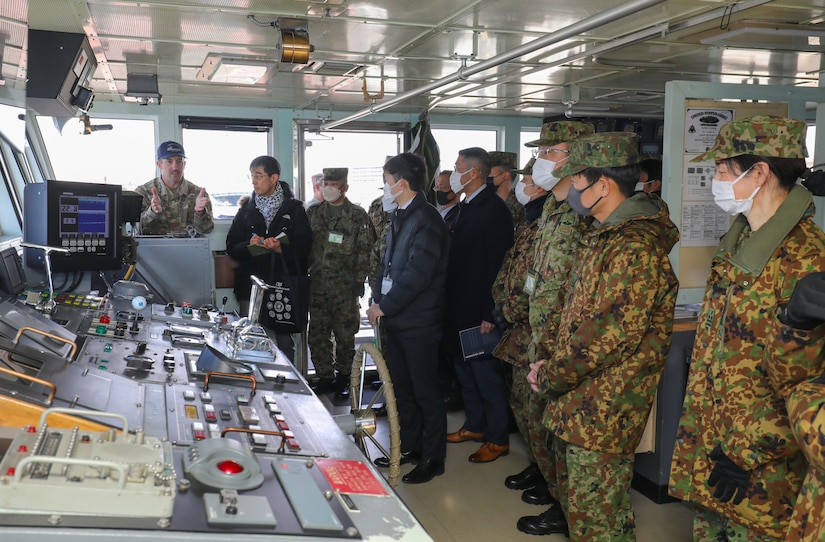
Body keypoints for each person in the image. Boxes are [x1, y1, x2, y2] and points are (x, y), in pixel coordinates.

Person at [668, 115, 825, 541]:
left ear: (760, 172)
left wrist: (745, 450)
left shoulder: (806, 259)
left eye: (722, 169)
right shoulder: (738, 243)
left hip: (762, 468)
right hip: (716, 448)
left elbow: (809, 380)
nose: (714, 179)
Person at [528, 132, 679, 540]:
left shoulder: (633, 246)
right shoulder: (604, 235)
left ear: (603, 185)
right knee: (585, 516)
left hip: (603, 410)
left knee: (599, 524)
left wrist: (550, 375)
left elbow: (606, 338)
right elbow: (581, 319)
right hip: (581, 402)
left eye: (578, 181)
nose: (572, 189)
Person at [507, 120, 595, 536]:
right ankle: (557, 497)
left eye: (550, 152)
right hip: (538, 341)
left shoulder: (587, 216)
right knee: (541, 428)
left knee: (559, 437)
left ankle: (563, 507)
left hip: (566, 352)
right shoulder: (555, 210)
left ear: (576, 157)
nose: (540, 161)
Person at [366, 153, 450, 484]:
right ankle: (411, 446)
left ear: (401, 183)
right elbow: (387, 265)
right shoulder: (401, 215)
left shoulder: (427, 220)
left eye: (387, 182)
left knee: (426, 391)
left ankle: (433, 457)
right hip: (397, 319)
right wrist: (377, 299)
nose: (385, 188)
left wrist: (386, 306)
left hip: (419, 323)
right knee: (403, 389)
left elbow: (417, 274)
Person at [444, 147, 514, 463]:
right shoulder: (465, 208)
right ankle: (474, 425)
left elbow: (498, 267)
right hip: (458, 309)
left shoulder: (494, 210)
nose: (453, 172)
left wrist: (489, 314)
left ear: (473, 173)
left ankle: (497, 438)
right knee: (465, 373)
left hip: (479, 312)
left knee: (486, 377)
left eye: (457, 167)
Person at [490, 155, 549, 509]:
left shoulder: (553, 224)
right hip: (517, 330)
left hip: (535, 331)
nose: (522, 188)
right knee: (523, 408)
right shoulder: (531, 221)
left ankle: (547, 477)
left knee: (536, 412)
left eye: (526, 181)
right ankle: (537, 466)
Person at [225, 155, 312, 363]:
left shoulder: (295, 210)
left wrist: (281, 248)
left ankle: (289, 386)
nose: (254, 181)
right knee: (249, 337)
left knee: (283, 341)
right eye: (252, 176)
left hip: (283, 284)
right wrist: (249, 246)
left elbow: (305, 249)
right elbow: (231, 246)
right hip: (251, 284)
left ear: (274, 178)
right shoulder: (246, 210)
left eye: (259, 176)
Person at [306, 168, 375, 402]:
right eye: (326, 183)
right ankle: (324, 377)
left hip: (345, 288)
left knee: (345, 336)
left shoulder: (357, 215)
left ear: (345, 187)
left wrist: (359, 281)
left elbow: (365, 250)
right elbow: (304, 246)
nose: (328, 188)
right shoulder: (314, 213)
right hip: (317, 286)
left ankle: (344, 378)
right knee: (317, 335)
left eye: (334, 184)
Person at [135, 140, 214, 235]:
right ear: (159, 164)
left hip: (189, 249)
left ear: (184, 164)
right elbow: (136, 231)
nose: (175, 167)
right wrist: (152, 212)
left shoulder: (198, 194)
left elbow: (207, 230)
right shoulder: (143, 193)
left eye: (179, 161)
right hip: (154, 248)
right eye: (169, 161)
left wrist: (200, 213)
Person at [489, 151, 524, 226]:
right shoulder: (483, 204)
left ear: (505, 175)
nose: (484, 179)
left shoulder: (520, 209)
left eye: (489, 175)